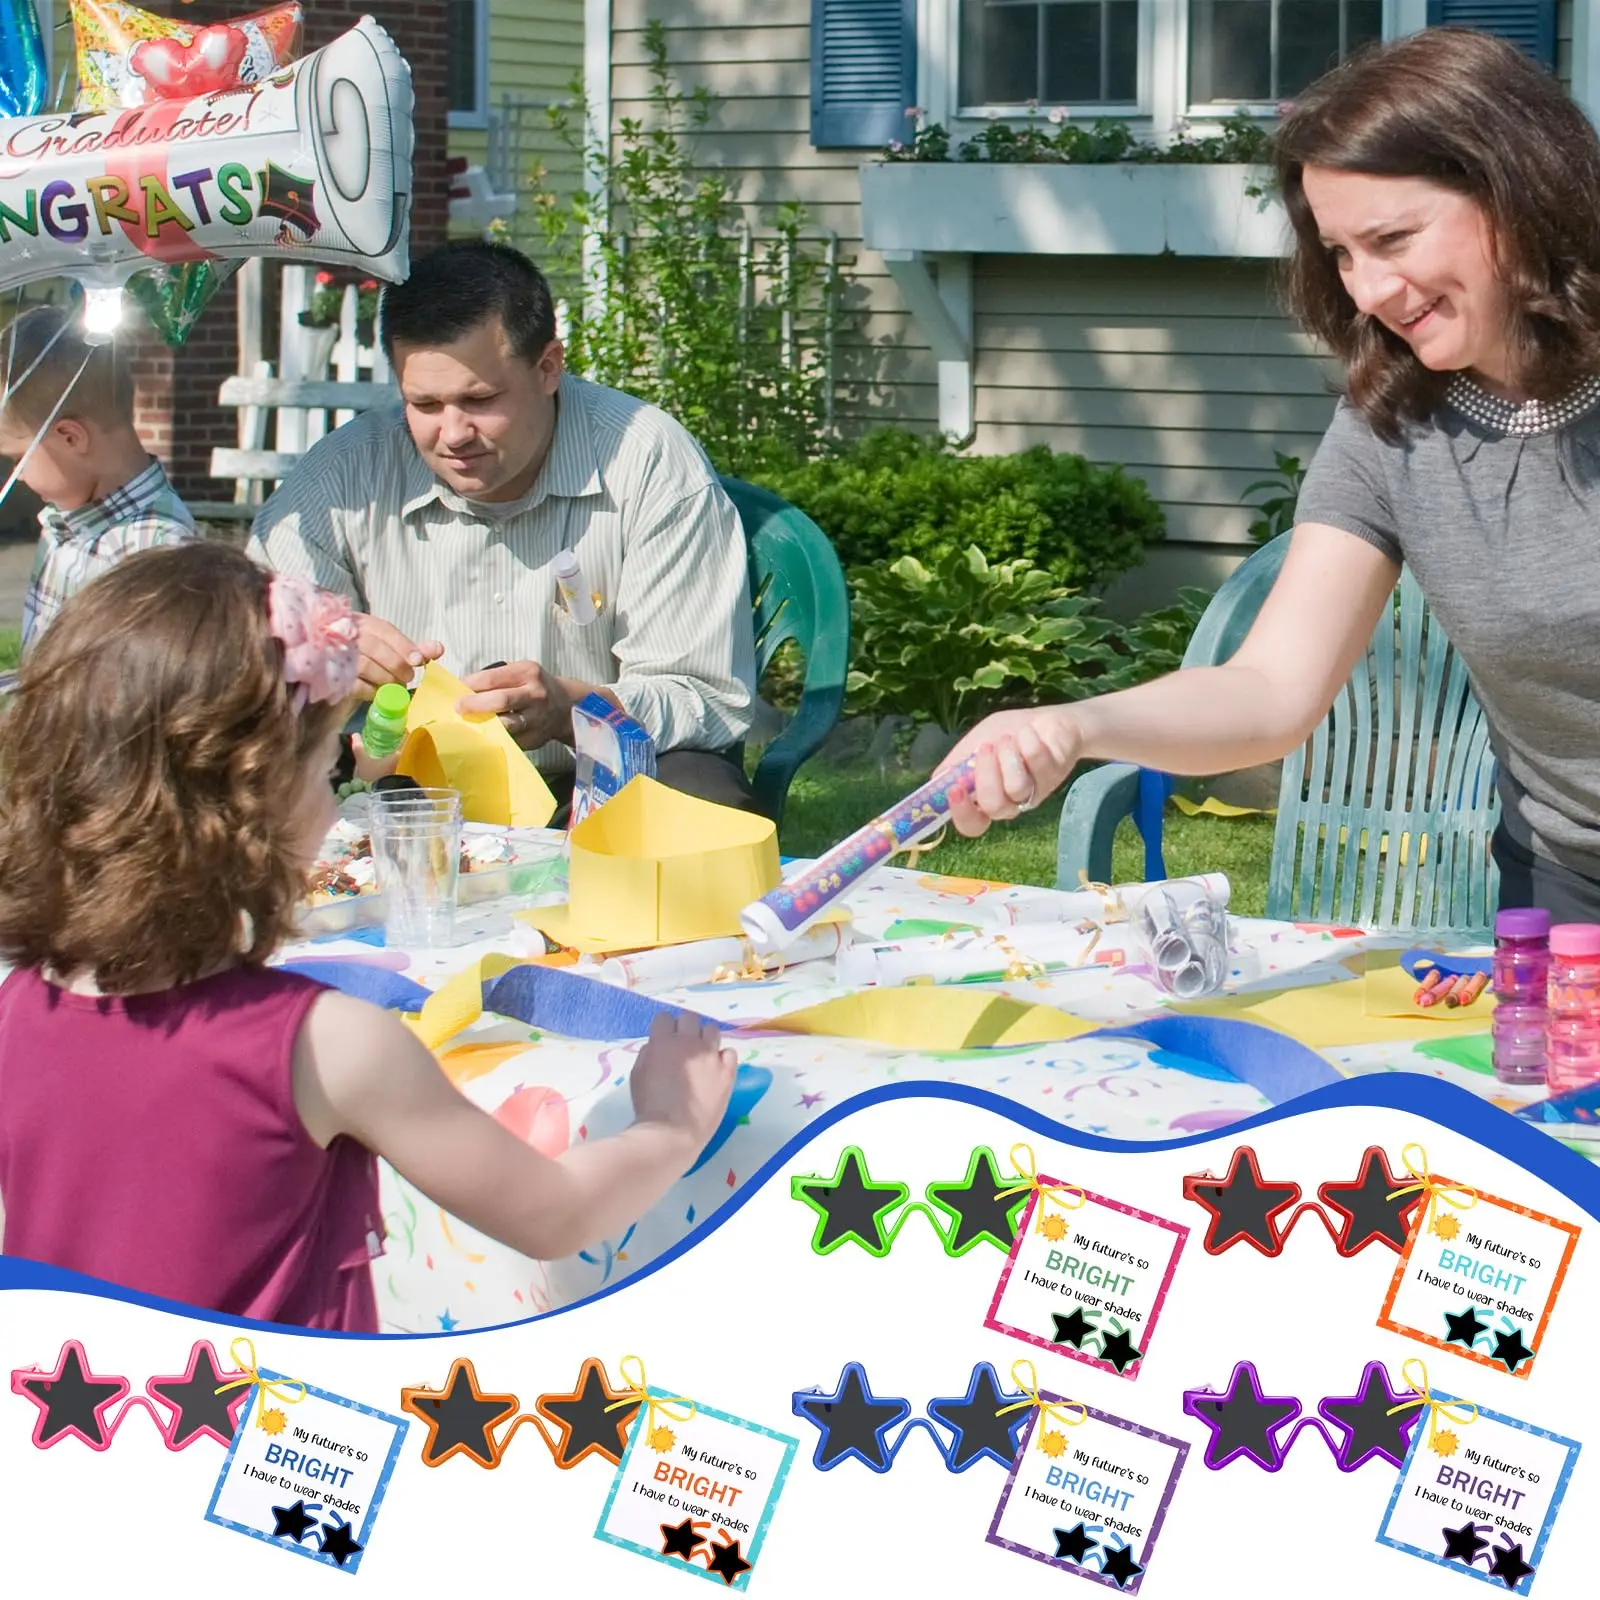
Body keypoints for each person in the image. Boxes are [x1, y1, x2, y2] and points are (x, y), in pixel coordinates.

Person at [942, 27, 1600, 923]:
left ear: (1518, 193)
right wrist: (1072, 726)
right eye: (1342, 253)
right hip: (1566, 881)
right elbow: (1269, 690)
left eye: (1394, 238)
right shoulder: (1390, 425)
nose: (1368, 291)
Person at [0, 543, 737, 1331]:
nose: (333, 806)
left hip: (64, 1402)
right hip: (267, 1407)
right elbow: (554, 1214)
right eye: (326, 771)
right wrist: (671, 1123)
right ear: (257, 802)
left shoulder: (17, 1003)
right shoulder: (327, 1045)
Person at [249, 241, 762, 818]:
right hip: (398, 786)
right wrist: (317, 650)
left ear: (548, 367)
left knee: (702, 799)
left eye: (480, 399)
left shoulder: (648, 462)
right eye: (424, 404)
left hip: (598, 780)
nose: (453, 434)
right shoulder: (343, 474)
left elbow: (705, 695)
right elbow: (233, 659)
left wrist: (573, 709)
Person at [0, 303, 197, 653]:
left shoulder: (155, 556)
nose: (17, 477)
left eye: (18, 459)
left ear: (70, 437)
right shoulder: (65, 522)